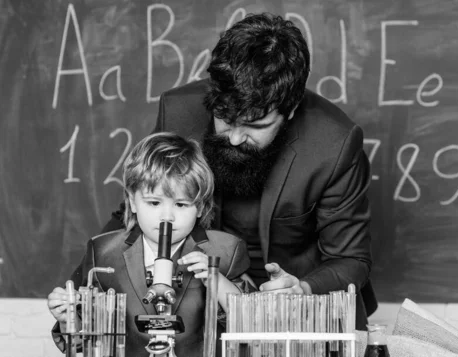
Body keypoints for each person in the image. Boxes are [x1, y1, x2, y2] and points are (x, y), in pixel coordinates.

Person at [103, 12, 377, 329]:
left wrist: (301, 289)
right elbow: (135, 209)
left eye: (255, 126)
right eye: (225, 119)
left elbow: (351, 259)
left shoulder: (335, 142)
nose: (234, 138)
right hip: (201, 299)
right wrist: (85, 284)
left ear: (289, 110)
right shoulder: (177, 112)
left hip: (298, 309)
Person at [47, 132, 255, 357]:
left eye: (181, 205)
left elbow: (252, 325)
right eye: (154, 202)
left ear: (202, 207)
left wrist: (216, 279)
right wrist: (69, 319)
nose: (167, 216)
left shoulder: (226, 251)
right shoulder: (103, 252)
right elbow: (82, 344)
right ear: (132, 201)